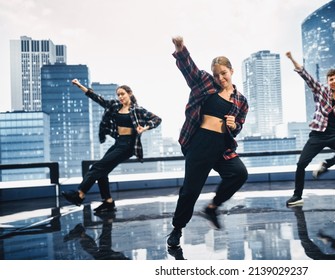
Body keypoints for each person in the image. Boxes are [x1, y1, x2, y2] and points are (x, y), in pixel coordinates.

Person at [167, 36, 249, 247]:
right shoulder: (204, 82)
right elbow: (189, 69)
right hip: (200, 143)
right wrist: (180, 47)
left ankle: (212, 208)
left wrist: (233, 126)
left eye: (224, 73)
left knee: (239, 174)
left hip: (222, 146)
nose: (220, 77)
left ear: (231, 71)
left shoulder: (241, 100)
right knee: (190, 191)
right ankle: (177, 229)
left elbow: (239, 126)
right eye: (217, 74)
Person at [61, 79, 162, 212]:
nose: (120, 97)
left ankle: (80, 194)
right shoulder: (115, 106)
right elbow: (98, 98)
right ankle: (108, 201)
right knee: (102, 172)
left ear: (130, 94)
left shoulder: (138, 110)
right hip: (119, 143)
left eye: (122, 94)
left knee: (96, 167)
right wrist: (80, 86)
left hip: (128, 145)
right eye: (118, 95)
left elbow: (157, 119)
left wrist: (145, 128)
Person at [285, 52, 335, 207]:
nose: (334, 81)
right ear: (328, 81)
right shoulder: (321, 90)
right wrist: (292, 58)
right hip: (318, 135)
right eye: (331, 79)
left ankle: (326, 165)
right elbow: (306, 76)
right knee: (301, 164)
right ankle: (297, 196)